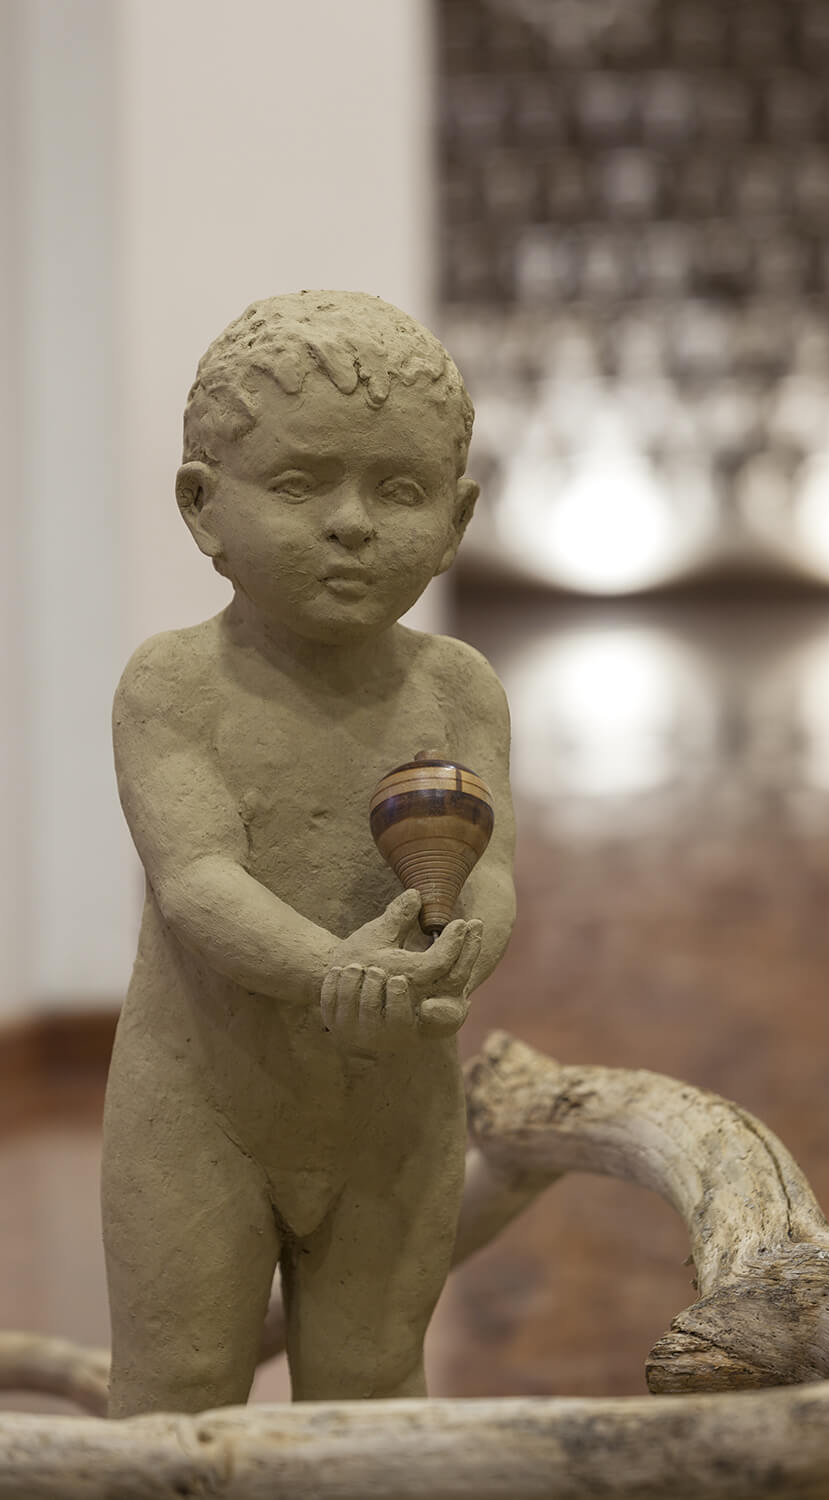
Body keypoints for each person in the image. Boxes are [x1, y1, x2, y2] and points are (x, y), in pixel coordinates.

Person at [102, 291, 515, 1416]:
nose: (352, 524)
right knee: (178, 1388)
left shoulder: (458, 689)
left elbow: (489, 870)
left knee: (371, 1388)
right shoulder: (173, 685)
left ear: (456, 518)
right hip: (202, 1104)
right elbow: (196, 879)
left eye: (400, 491)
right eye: (298, 484)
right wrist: (338, 971)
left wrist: (456, 956)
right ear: (202, 506)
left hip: (394, 1109)